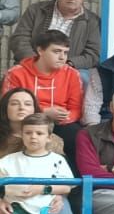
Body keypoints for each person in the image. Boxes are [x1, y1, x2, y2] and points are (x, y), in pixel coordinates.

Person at [0, 87, 76, 214]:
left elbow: (64, 180)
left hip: (48, 196)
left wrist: (55, 193)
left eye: (27, 103)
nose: (21, 107)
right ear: (5, 108)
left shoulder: (53, 141)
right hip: (9, 199)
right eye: (14, 103)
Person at [3, 30, 84, 164]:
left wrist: (62, 117)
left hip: (60, 123)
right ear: (40, 50)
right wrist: (43, 112)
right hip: (23, 120)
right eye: (56, 51)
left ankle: (72, 181)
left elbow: (76, 109)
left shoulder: (72, 74)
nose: (62, 57)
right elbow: (7, 105)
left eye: (65, 52)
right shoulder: (16, 73)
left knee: (77, 136)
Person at [9, 0, 101, 72]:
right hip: (32, 63)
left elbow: (92, 54)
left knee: (83, 78)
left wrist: (68, 64)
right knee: (14, 75)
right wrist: (36, 61)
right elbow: (19, 39)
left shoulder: (92, 21)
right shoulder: (36, 10)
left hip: (70, 68)